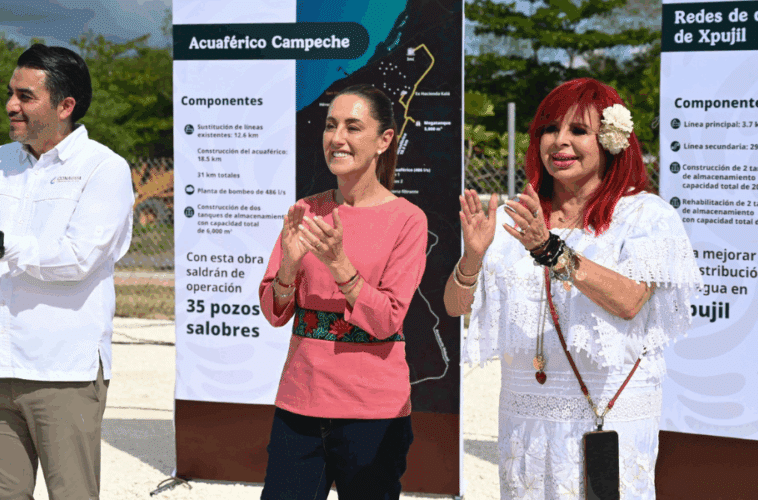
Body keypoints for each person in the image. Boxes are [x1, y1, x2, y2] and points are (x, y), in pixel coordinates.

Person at [444, 78, 702, 499]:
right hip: (524, 417)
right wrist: (473, 256)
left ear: (611, 141)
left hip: (606, 417)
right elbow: (455, 307)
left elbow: (630, 301)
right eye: (549, 129)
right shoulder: (519, 217)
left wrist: (551, 250)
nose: (559, 142)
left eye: (578, 131)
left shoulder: (645, 215)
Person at [0, 44, 134, 499]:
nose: (10, 105)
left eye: (25, 96)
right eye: (11, 93)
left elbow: (78, 258)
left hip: (62, 375)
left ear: (66, 106)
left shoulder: (104, 169)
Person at [257, 84, 427, 500]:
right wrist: (290, 265)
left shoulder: (408, 219)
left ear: (384, 140)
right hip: (301, 400)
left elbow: (387, 319)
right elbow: (274, 311)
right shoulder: (306, 210)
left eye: (353, 127)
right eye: (331, 126)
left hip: (373, 411)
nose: (337, 138)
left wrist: (340, 267)